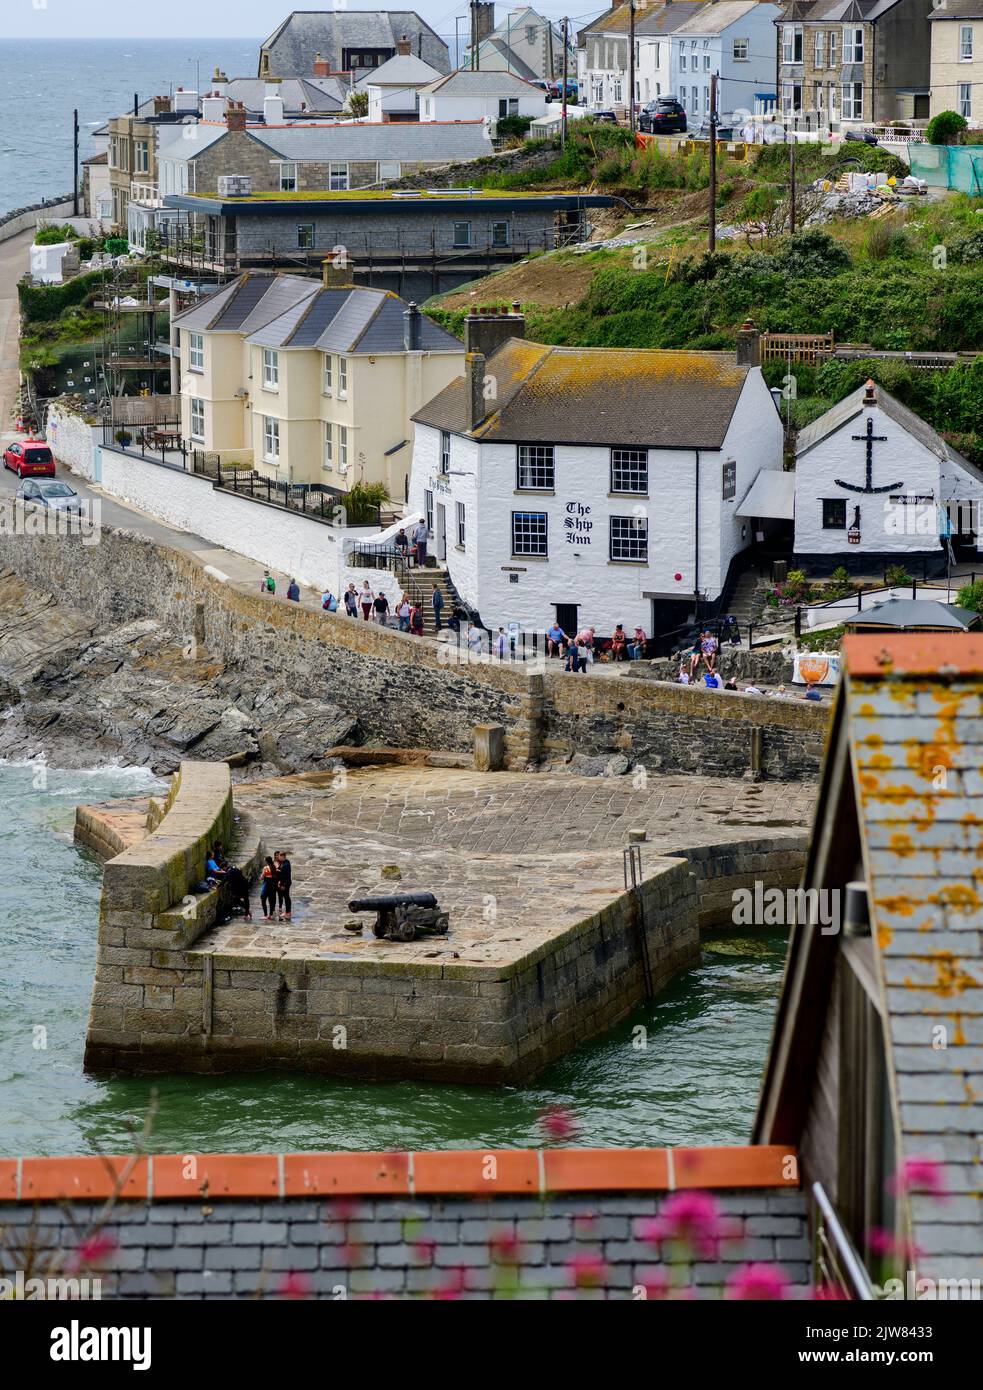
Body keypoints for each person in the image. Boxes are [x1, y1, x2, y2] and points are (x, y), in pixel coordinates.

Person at [274, 850, 292, 922]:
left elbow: (285, 876)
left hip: (286, 883)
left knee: (286, 897)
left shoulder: (285, 865)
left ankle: (288, 913)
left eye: (279, 857)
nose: (278, 858)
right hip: (285, 882)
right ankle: (287, 912)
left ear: (283, 856)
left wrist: (282, 884)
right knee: (286, 897)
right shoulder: (286, 862)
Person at [259, 855, 278, 920]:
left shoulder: (265, 868)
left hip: (267, 884)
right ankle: (270, 915)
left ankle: (265, 915)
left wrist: (261, 877)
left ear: (266, 861)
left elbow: (262, 877)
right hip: (273, 886)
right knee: (271, 900)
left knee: (263, 899)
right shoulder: (274, 867)